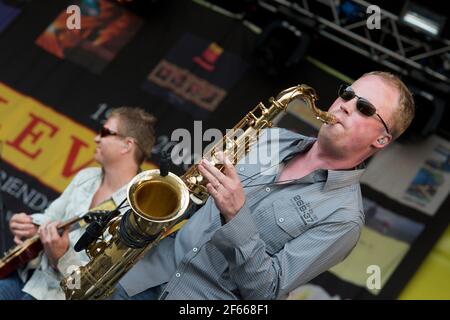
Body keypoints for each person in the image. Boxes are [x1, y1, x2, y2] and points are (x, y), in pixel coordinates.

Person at [109, 71, 414, 300]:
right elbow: (195, 196)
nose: (346, 105)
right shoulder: (270, 138)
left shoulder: (344, 220)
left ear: (382, 139)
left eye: (364, 108)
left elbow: (266, 292)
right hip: (143, 277)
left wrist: (237, 216)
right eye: (347, 94)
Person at [0, 107, 156, 300]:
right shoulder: (86, 176)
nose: (96, 138)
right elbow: (51, 218)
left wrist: (62, 257)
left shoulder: (137, 210)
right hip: (33, 280)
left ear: (127, 145)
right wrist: (31, 226)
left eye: (106, 132)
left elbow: (97, 287)